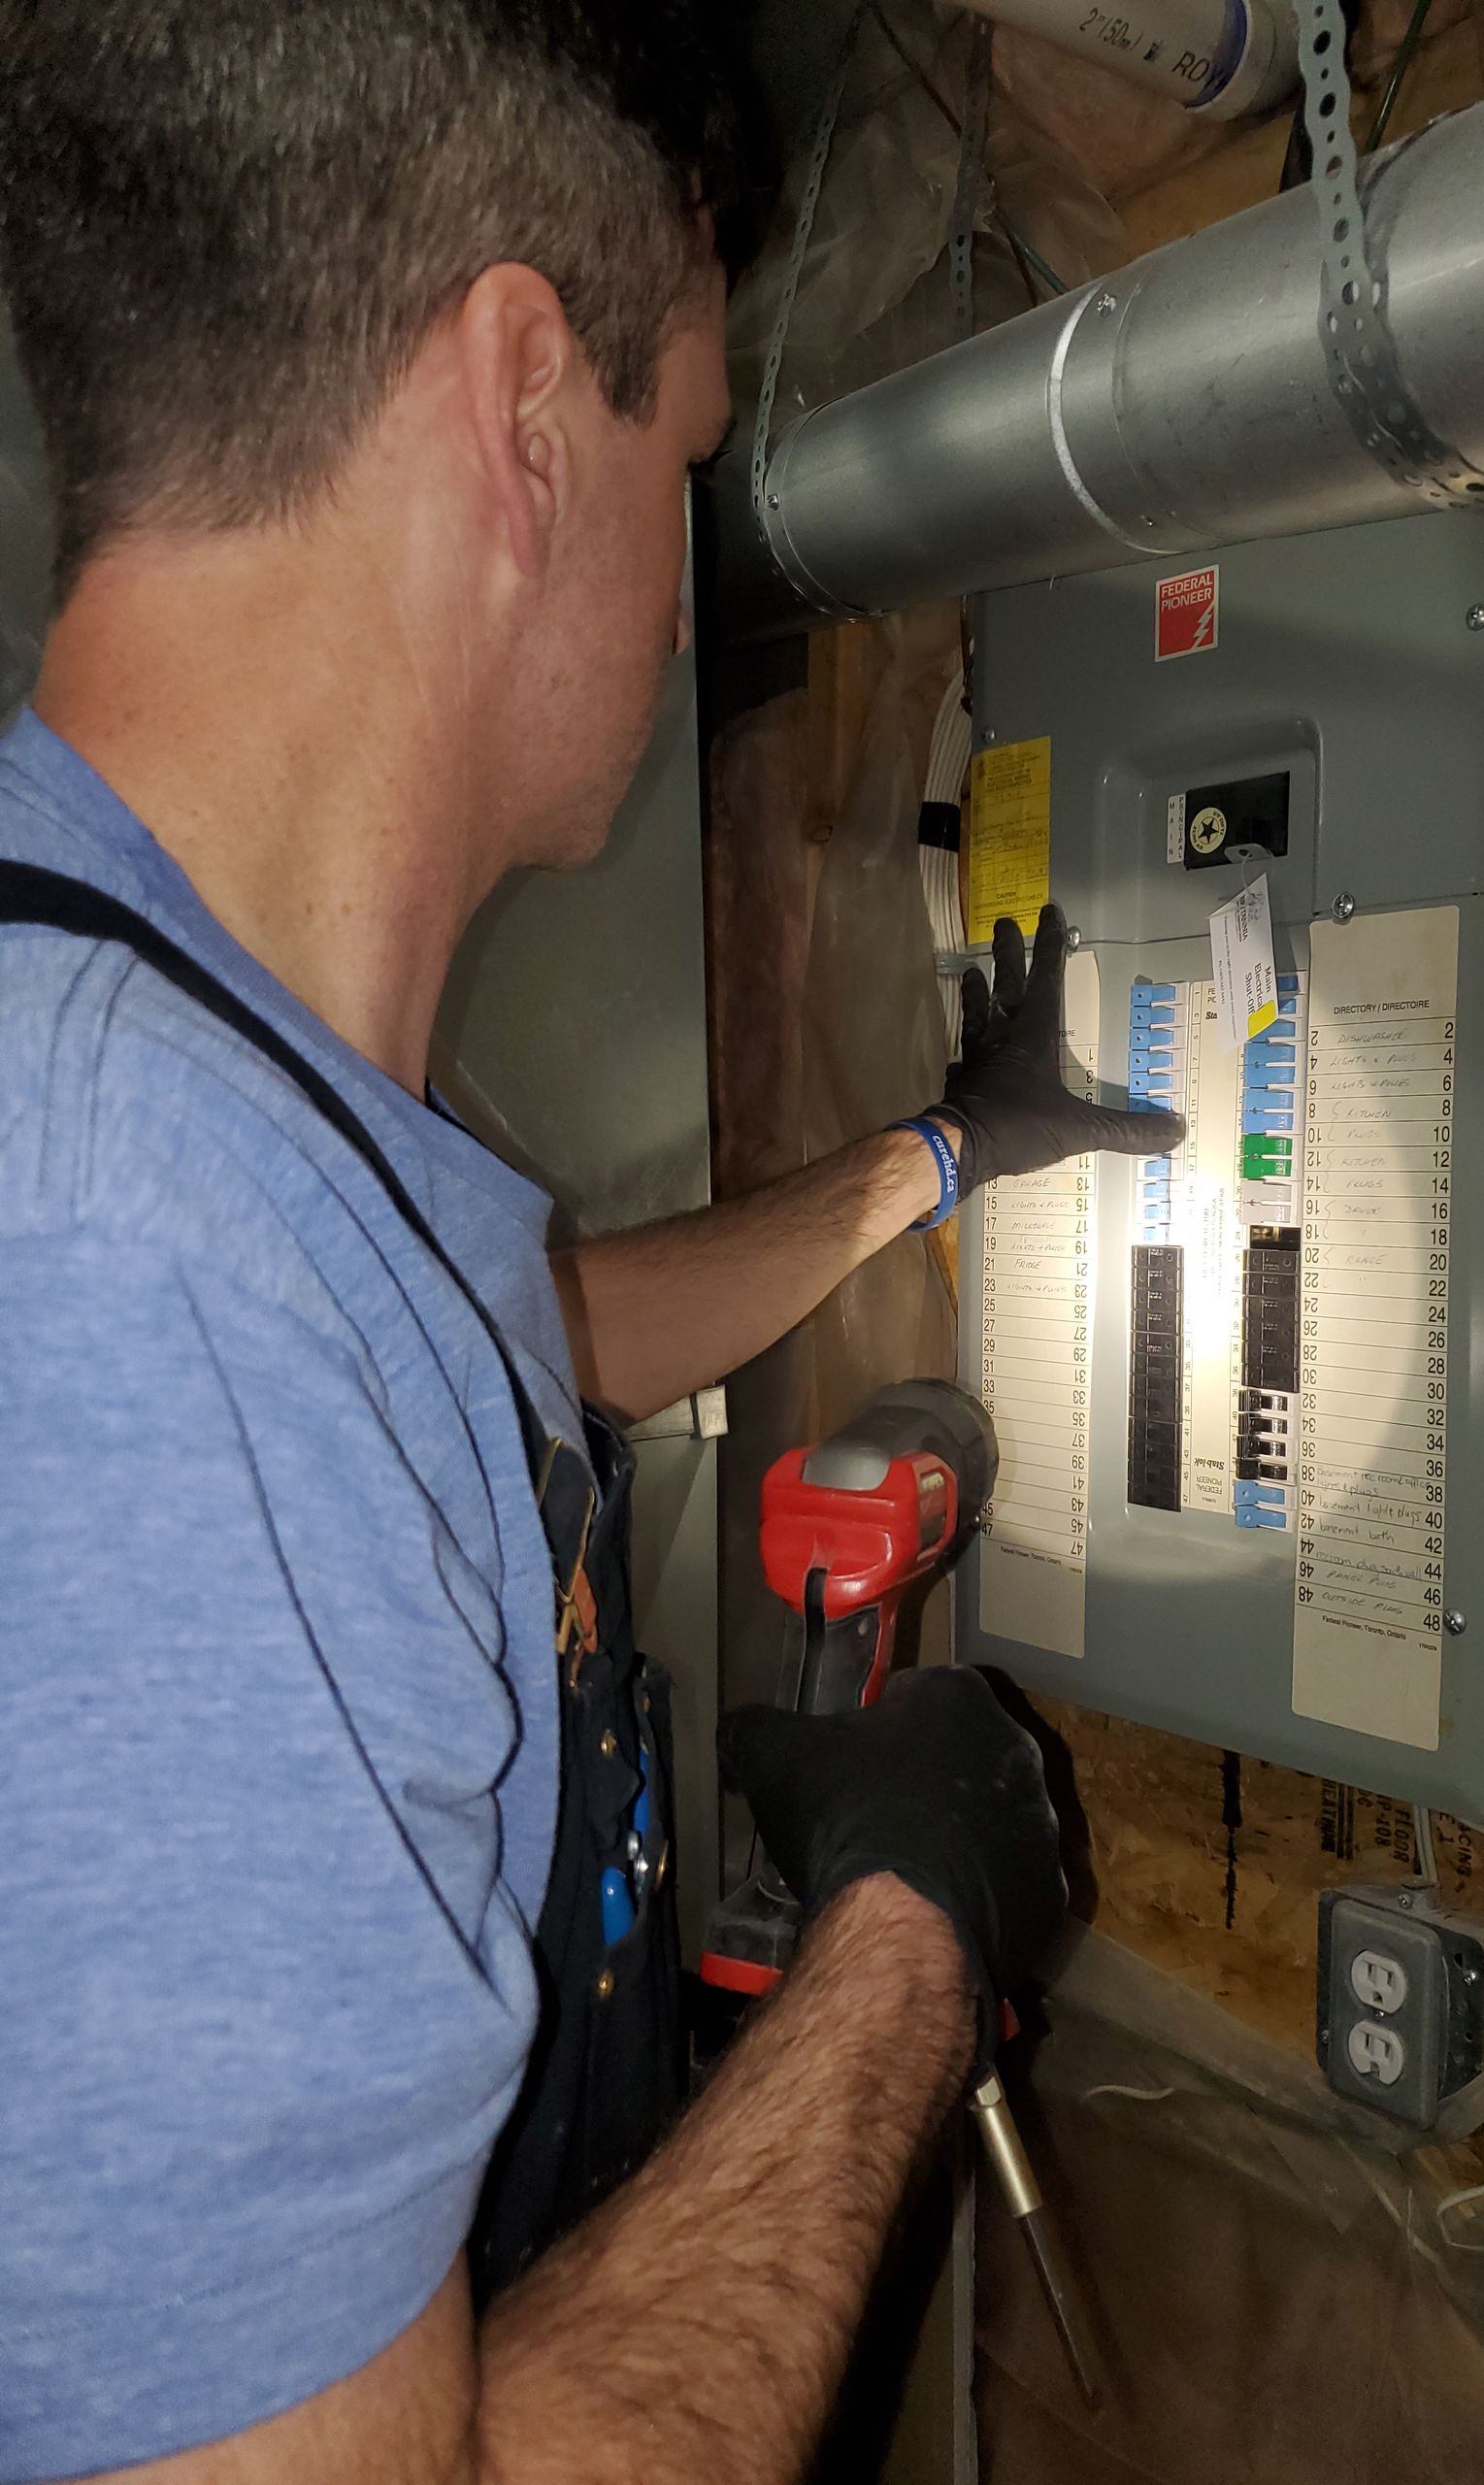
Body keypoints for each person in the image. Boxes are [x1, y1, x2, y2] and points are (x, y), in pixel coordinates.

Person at [0, 8, 1181, 2481]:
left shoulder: (210, 1095)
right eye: (694, 459)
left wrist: (946, 1156)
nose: (684, 589)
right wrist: (905, 1948)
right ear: (530, 409)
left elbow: (512, 1347)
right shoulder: (124, 1260)